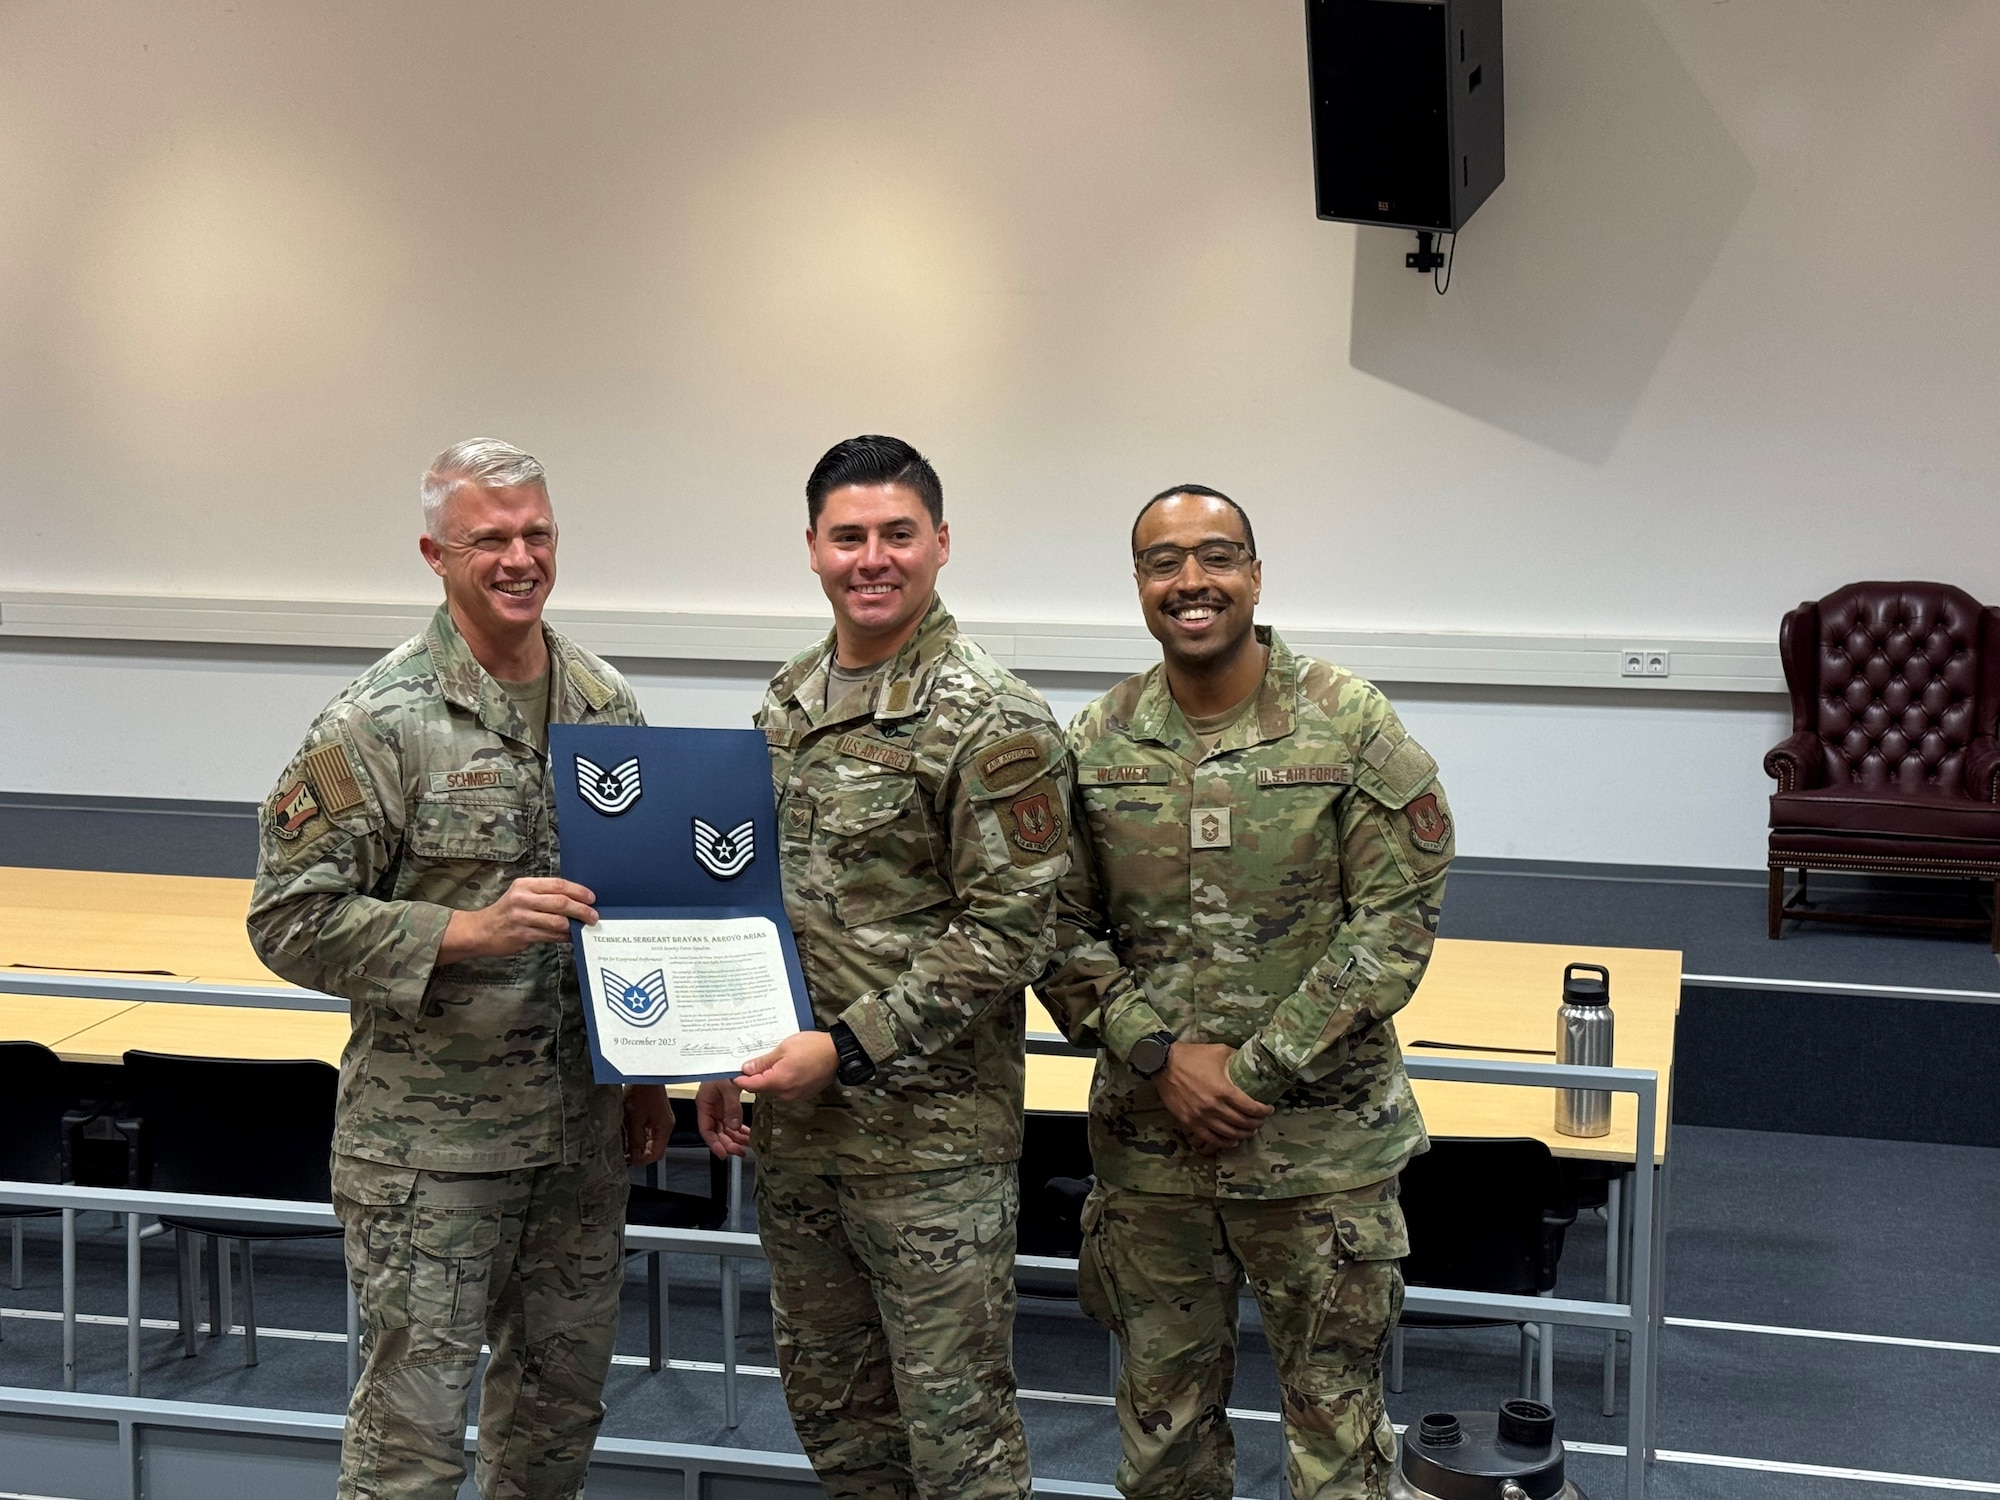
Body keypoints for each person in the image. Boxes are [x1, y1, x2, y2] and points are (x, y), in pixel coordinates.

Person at [246, 438, 673, 1500]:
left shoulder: (605, 703)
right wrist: (464, 933)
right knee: (412, 1438)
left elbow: (644, 904)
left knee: (556, 1422)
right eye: (491, 539)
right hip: (431, 1151)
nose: (519, 557)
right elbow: (288, 920)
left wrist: (650, 1065)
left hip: (577, 1141)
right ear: (435, 552)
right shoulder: (376, 723)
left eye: (536, 533)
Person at [1037, 484, 1454, 1500]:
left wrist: (1253, 1070)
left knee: (1336, 1443)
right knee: (1163, 1443)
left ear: (1254, 575)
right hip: (1152, 1159)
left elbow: (1393, 921)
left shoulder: (1348, 723)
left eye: (1215, 556)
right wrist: (1156, 1054)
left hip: (1319, 1158)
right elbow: (1051, 925)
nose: (1190, 581)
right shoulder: (1095, 741)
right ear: (1138, 585)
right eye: (1161, 562)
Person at [695, 435, 1072, 1500]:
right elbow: (749, 900)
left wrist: (846, 1049)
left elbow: (1010, 933)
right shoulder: (785, 704)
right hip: (800, 1136)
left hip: (929, 1151)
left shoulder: (991, 720)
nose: (872, 558)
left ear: (940, 545)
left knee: (956, 1439)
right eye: (847, 535)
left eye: (896, 535)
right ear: (811, 548)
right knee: (835, 1415)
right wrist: (729, 1046)